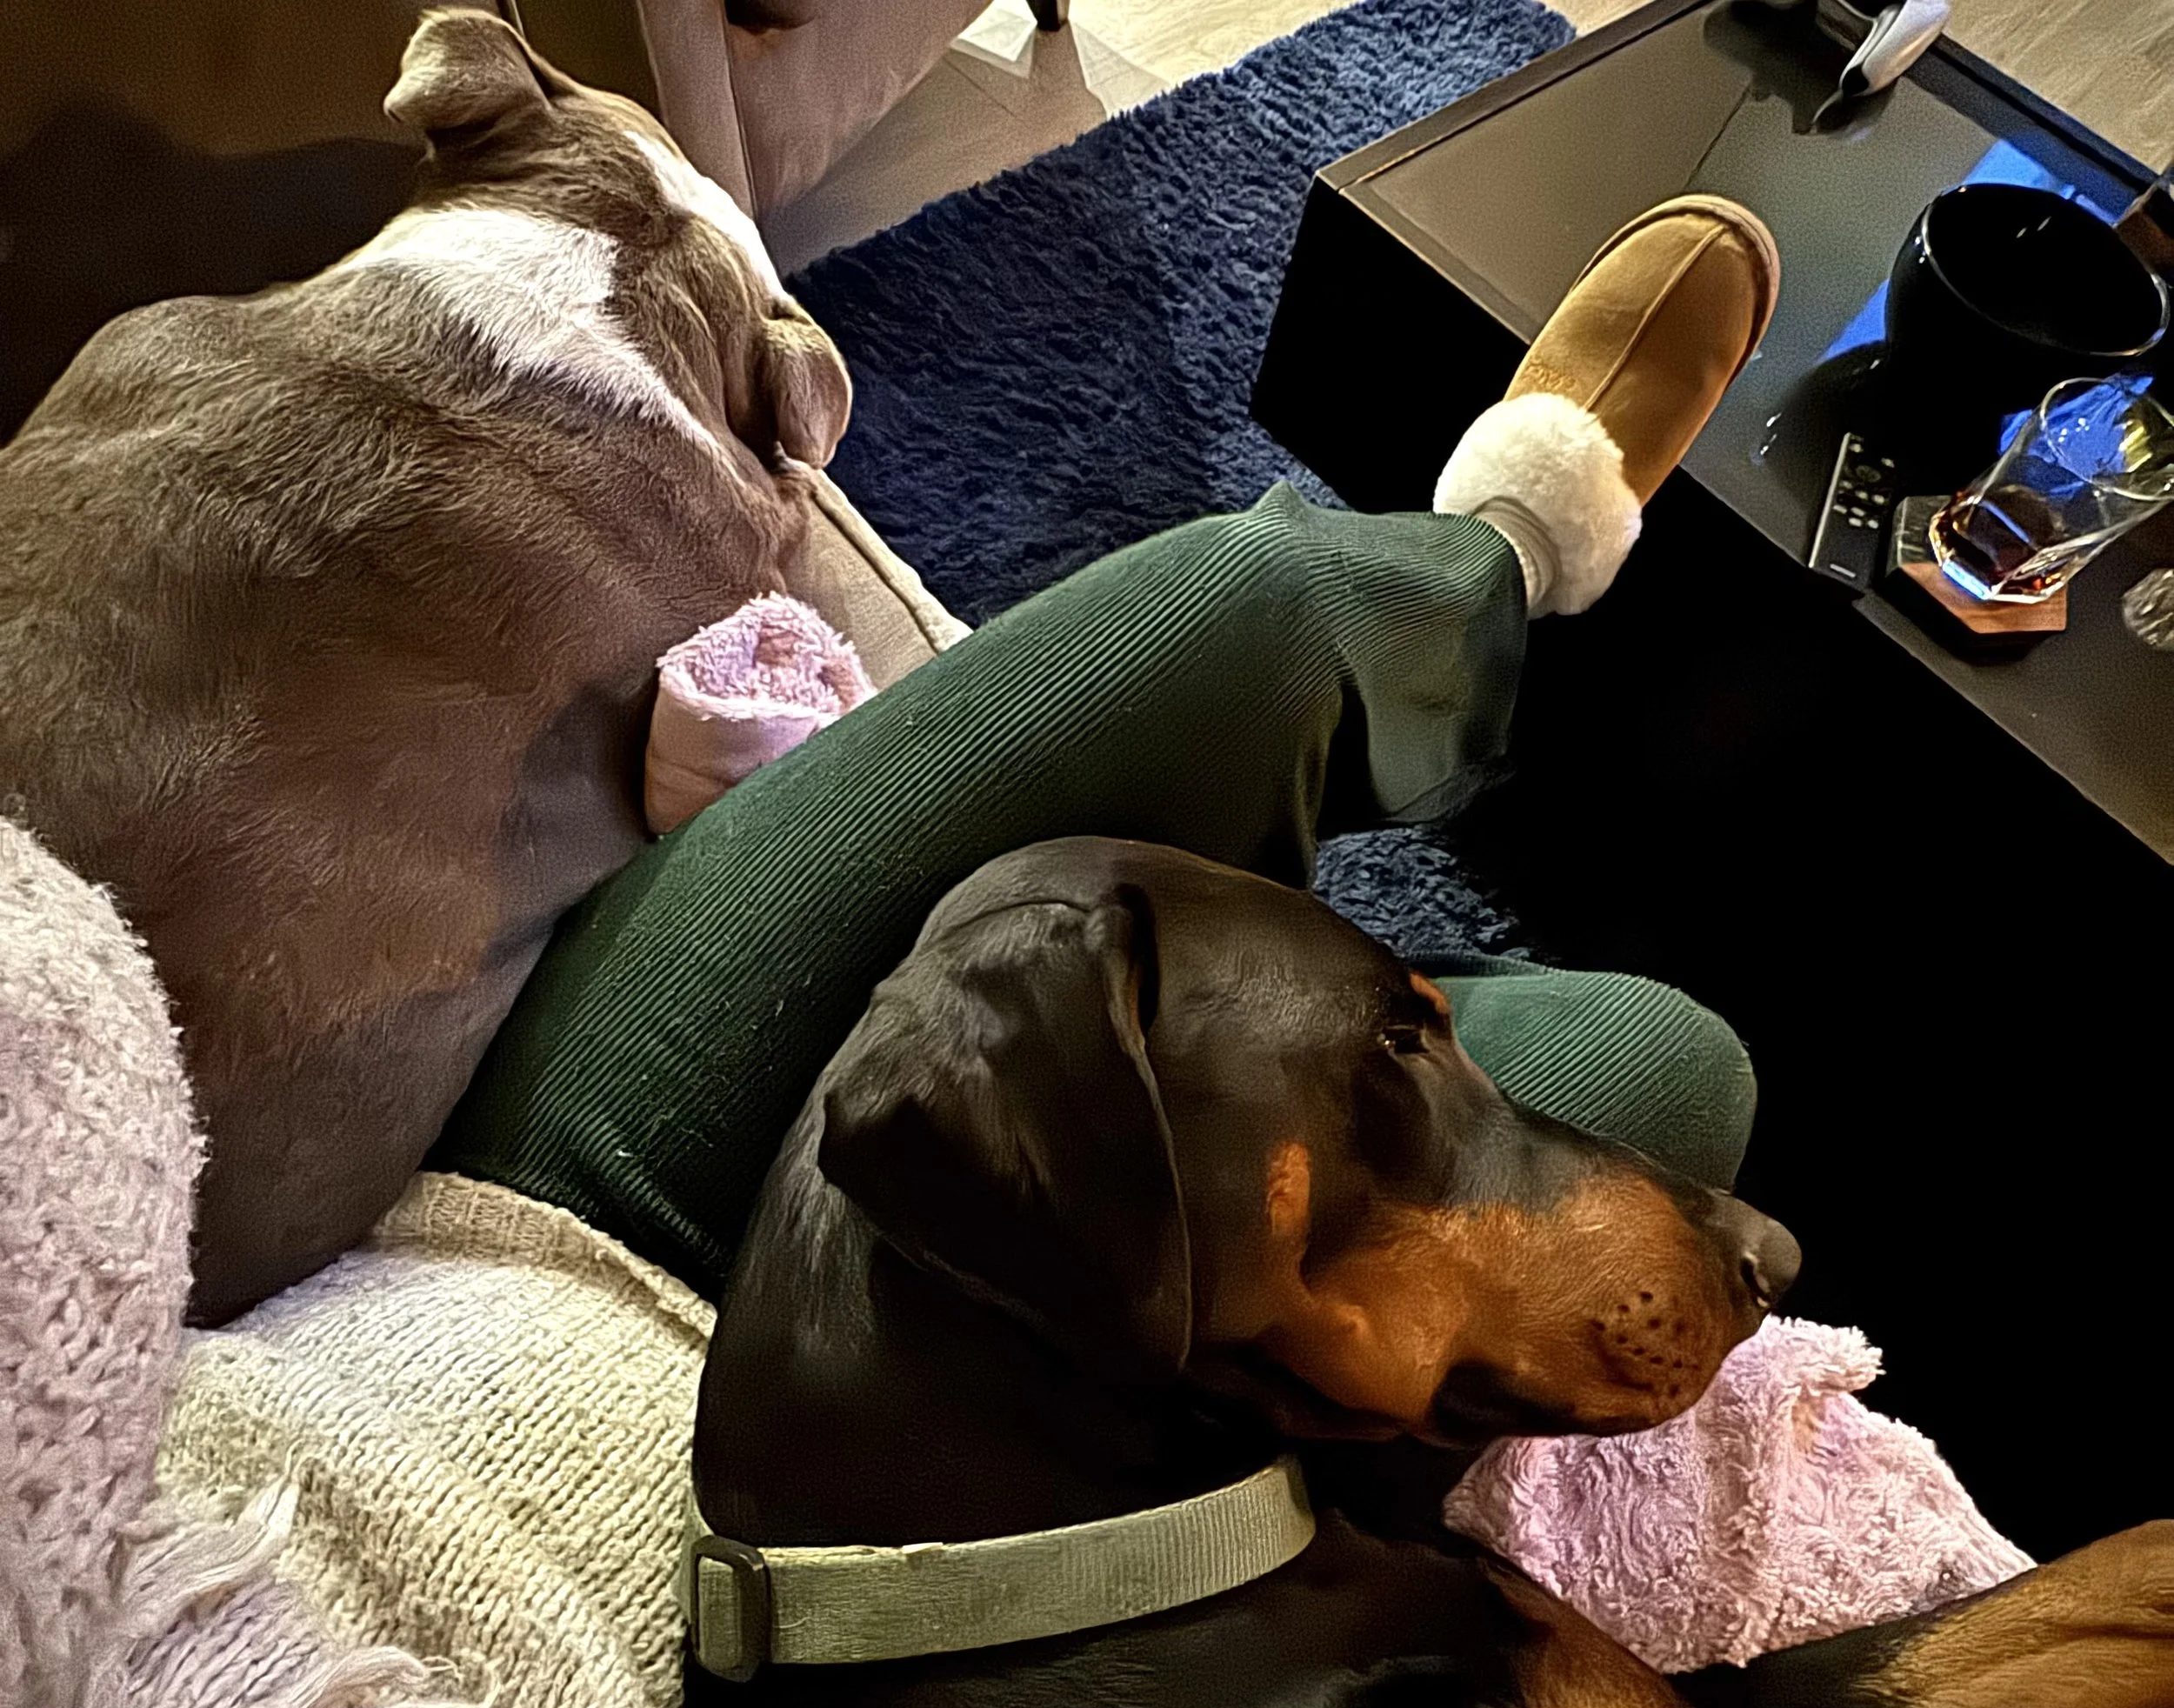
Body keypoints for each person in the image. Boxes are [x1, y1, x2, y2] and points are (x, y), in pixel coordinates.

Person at [433, 195, 1783, 1298]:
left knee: (1263, 616)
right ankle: (1314, 974)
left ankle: (1514, 544)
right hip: (713, 1439)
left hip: (493, 1282)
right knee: (1662, 1076)